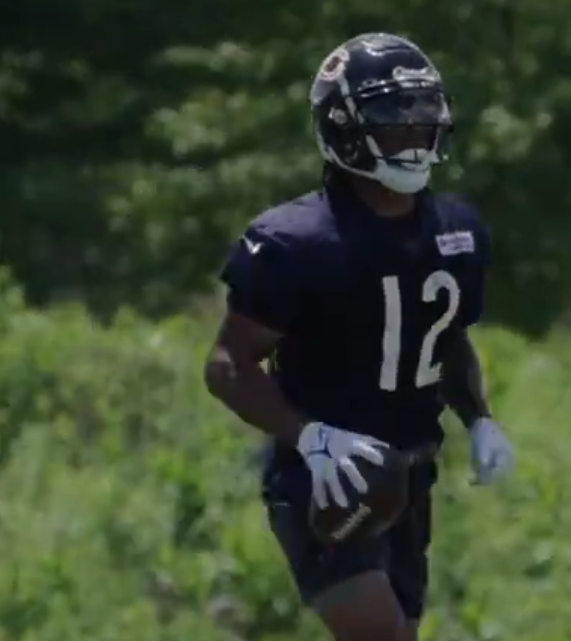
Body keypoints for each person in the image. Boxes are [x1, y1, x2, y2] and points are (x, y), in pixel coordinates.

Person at [203, 32, 515, 641]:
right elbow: (227, 365)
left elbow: (444, 338)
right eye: (395, 123)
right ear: (344, 130)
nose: (415, 137)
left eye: (424, 120)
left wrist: (478, 417)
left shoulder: (458, 230)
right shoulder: (297, 242)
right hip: (324, 477)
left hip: (412, 474)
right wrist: (313, 438)